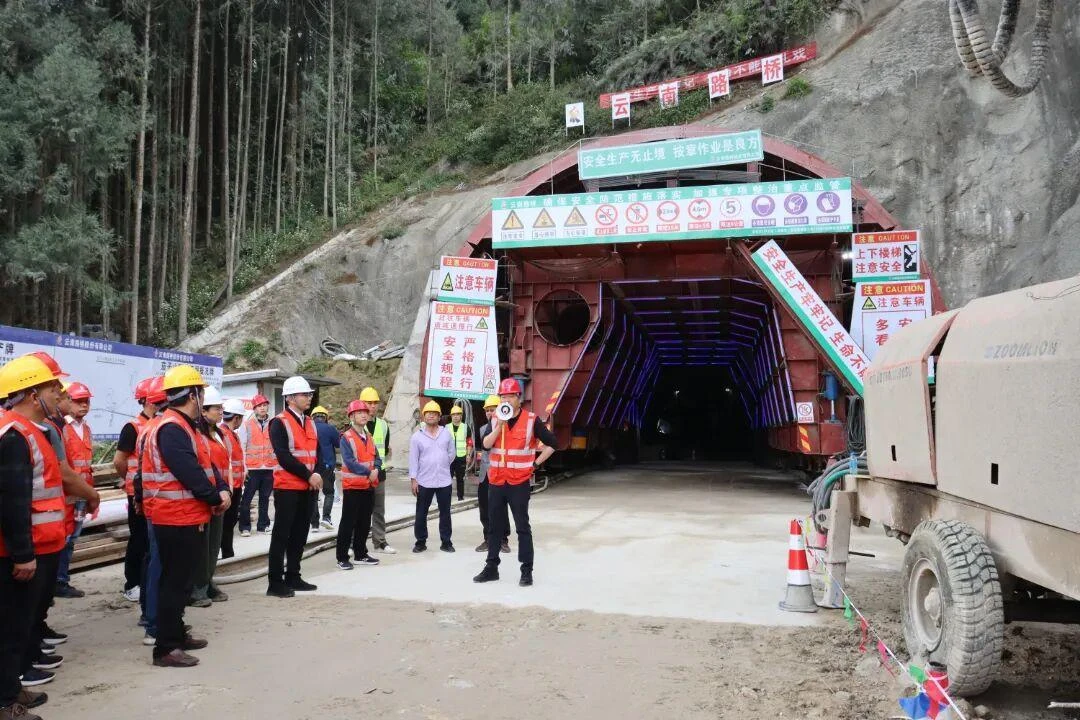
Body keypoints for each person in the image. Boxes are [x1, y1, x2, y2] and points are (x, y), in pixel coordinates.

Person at [0, 354, 75, 714]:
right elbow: (13, 501)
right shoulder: (15, 435)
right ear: (32, 395)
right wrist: (23, 554)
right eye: (52, 388)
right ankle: (5, 702)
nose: (59, 393)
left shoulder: (29, 431)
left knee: (18, 627)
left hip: (36, 545)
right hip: (17, 553)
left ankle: (11, 689)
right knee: (10, 629)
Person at [141, 365, 229, 668]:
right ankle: (166, 647)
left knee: (181, 581)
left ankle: (176, 633)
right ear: (193, 395)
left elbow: (206, 465)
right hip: (174, 517)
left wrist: (220, 489)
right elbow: (188, 472)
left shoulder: (186, 426)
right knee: (174, 582)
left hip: (188, 516)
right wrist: (214, 497)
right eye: (200, 392)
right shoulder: (172, 428)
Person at [473, 378, 557, 587]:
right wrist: (499, 425)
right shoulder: (495, 419)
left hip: (519, 483)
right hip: (496, 481)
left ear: (519, 398)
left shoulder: (531, 420)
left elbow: (552, 443)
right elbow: (486, 445)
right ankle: (491, 568)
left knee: (522, 527)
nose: (506, 400)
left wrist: (535, 464)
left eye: (511, 396)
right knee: (494, 527)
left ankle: (526, 571)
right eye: (503, 397)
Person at [266, 376, 322, 598]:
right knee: (282, 535)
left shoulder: (310, 422)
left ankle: (293, 576)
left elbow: (316, 452)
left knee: (300, 534)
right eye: (304, 394)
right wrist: (309, 475)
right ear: (289, 398)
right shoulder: (279, 422)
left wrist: (317, 473)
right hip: (288, 487)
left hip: (308, 487)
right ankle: (275, 582)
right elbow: (283, 456)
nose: (308, 398)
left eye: (309, 394)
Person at [114, 376, 162, 602]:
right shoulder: (133, 427)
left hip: (155, 492)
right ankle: (132, 583)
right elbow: (119, 460)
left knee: (151, 542)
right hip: (137, 493)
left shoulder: (161, 424)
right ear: (149, 401)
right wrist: (130, 480)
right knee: (139, 539)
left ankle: (147, 582)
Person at [133, 376, 166, 648]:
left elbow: (139, 473)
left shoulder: (149, 428)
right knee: (159, 565)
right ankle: (155, 624)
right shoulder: (164, 429)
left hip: (154, 504)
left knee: (155, 562)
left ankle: (152, 619)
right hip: (164, 508)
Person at [189, 386, 230, 607]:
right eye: (217, 408)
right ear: (203, 411)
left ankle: (207, 582)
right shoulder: (197, 434)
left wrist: (227, 491)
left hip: (220, 494)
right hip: (206, 496)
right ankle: (198, 588)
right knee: (202, 547)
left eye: (222, 408)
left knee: (214, 544)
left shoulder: (219, 434)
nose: (221, 412)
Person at [55, 381, 95, 599]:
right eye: (79, 401)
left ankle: (61, 579)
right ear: (68, 401)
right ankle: (57, 581)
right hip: (66, 493)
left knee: (71, 539)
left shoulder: (85, 429)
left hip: (82, 492)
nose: (84, 405)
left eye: (86, 401)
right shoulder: (61, 428)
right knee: (63, 537)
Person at [335, 400, 381, 570]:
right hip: (353, 487)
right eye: (359, 412)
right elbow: (349, 462)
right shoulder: (346, 437)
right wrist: (369, 472)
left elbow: (377, 457)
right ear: (352, 416)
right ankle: (342, 557)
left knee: (364, 522)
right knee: (348, 523)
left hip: (368, 486)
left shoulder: (369, 437)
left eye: (365, 412)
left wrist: (376, 468)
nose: (363, 415)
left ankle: (360, 554)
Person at [408, 400, 455, 553]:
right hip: (424, 480)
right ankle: (420, 542)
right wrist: (413, 479)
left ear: (439, 416)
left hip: (444, 480)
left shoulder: (446, 433)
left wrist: (442, 463)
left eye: (434, 413)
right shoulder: (417, 437)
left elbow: (451, 453)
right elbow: (413, 459)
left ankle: (446, 542)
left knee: (445, 513)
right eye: (428, 413)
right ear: (424, 416)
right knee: (421, 513)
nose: (431, 416)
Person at [360, 387, 396, 554]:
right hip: (361, 475)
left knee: (379, 510)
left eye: (375, 403)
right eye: (369, 402)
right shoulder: (355, 426)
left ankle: (380, 541)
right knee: (360, 510)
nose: (373, 406)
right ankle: (356, 542)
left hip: (379, 474)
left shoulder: (383, 425)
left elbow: (384, 450)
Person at [474, 395, 510, 554]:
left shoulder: (507, 428)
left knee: (501, 508)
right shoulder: (482, 429)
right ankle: (488, 539)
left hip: (501, 474)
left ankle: (503, 540)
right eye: (487, 410)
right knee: (484, 507)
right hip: (485, 475)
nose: (489, 413)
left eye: (492, 409)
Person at [238, 394, 274, 536]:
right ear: (254, 408)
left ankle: (263, 525)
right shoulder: (247, 424)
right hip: (252, 468)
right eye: (259, 406)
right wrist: (244, 467)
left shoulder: (273, 424)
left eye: (264, 405)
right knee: (247, 499)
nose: (262, 408)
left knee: (265, 499)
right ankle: (245, 527)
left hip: (269, 467)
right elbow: (242, 446)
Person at [217, 399, 246, 560]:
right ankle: (226, 554)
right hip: (229, 488)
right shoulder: (223, 435)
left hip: (235, 486)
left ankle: (228, 553)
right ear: (236, 418)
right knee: (226, 524)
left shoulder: (232, 435)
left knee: (229, 522)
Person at [309, 406, 339, 532]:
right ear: (325, 417)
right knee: (329, 493)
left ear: (313, 417)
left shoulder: (308, 428)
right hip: (327, 466)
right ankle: (326, 518)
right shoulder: (330, 428)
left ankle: (314, 524)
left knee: (313, 495)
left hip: (313, 467)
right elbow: (338, 444)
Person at [448, 406, 473, 501]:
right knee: (447, 479)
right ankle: (447, 497)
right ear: (451, 416)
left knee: (460, 479)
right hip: (449, 458)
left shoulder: (466, 427)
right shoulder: (446, 427)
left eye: (457, 414)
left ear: (461, 416)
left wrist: (468, 455)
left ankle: (460, 498)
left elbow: (469, 443)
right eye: (453, 414)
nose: (455, 416)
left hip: (461, 457)